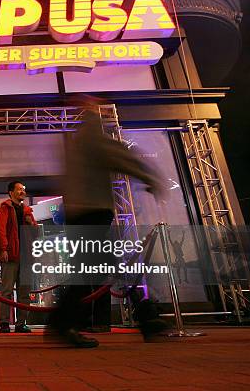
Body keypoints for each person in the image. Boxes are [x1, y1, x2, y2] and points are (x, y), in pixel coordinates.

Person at [51, 101, 166, 347]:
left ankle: (144, 318)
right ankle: (64, 323)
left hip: (80, 215)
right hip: (92, 214)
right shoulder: (94, 138)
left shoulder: (75, 143)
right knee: (97, 270)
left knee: (94, 269)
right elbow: (121, 157)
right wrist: (149, 177)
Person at [0, 181, 37, 334]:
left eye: (23, 189)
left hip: (26, 256)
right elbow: (0, 231)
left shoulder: (27, 211)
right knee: (6, 291)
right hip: (11, 255)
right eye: (19, 189)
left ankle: (21, 323)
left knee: (24, 291)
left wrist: (31, 224)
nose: (22, 191)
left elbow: (36, 234)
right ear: (10, 192)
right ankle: (4, 322)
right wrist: (3, 249)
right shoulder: (5, 208)